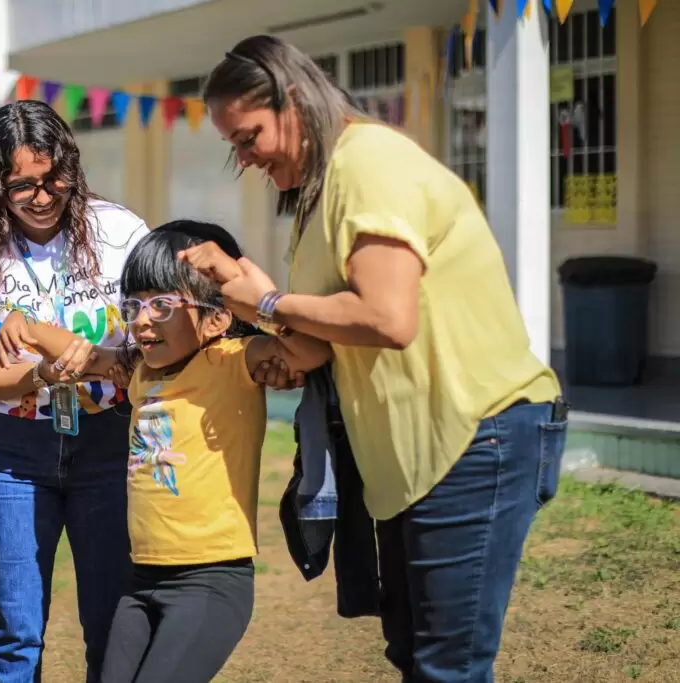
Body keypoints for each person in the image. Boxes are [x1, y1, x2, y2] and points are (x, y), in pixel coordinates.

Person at [183, 35, 568, 682]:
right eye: (234, 147)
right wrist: (245, 301)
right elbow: (315, 341)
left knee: (446, 665)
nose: (244, 159)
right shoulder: (322, 186)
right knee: (414, 653)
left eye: (249, 137)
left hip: (475, 435)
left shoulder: (368, 165)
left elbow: (387, 318)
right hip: (419, 454)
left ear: (294, 101)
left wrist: (270, 297)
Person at [0, 99, 147, 683]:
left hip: (108, 442)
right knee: (16, 627)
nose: (42, 195)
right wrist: (37, 377)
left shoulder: (119, 232)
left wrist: (109, 360)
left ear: (71, 167)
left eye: (54, 178)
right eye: (21, 184)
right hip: (14, 454)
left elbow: (160, 337)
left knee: (111, 618)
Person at [80, 221, 328, 683]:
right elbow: (90, 357)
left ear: (216, 318)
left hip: (210, 581)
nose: (140, 319)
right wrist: (27, 331)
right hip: (139, 581)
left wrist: (260, 302)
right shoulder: (143, 374)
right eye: (133, 304)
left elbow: (311, 351)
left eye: (161, 304)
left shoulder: (235, 359)